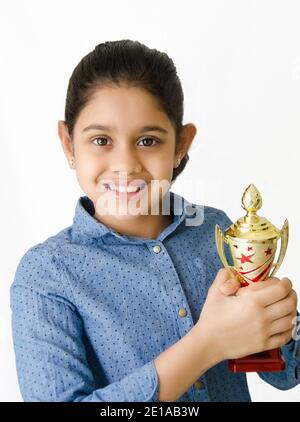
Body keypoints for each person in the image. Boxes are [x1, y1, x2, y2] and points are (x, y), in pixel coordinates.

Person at [10, 40, 300, 402]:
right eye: (101, 140)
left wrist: (281, 321)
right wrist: (207, 344)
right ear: (69, 144)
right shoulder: (47, 273)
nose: (126, 165)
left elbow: (286, 375)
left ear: (181, 144)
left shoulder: (217, 232)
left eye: (148, 140)